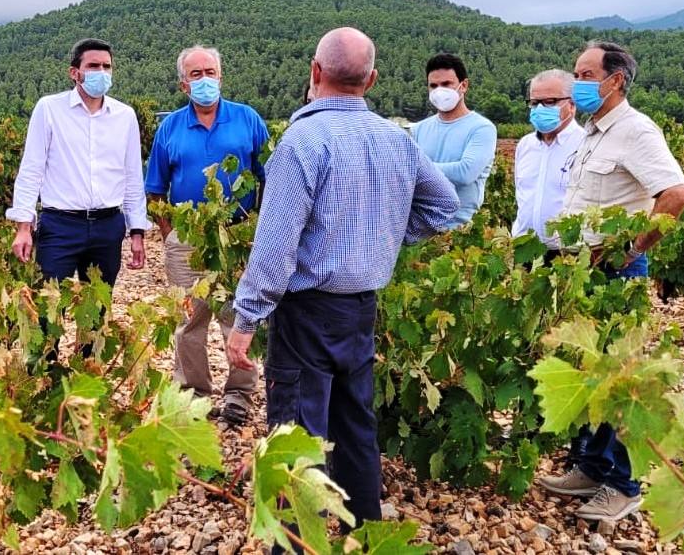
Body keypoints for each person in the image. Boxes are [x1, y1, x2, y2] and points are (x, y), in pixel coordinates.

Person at [226, 28, 459, 537]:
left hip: (306, 312)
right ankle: (365, 538)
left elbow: (275, 248)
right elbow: (446, 207)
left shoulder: (302, 142)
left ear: (314, 72)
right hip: (360, 309)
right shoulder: (398, 139)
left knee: (296, 437)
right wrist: (389, 238)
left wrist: (245, 320)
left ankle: (294, 544)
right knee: (356, 427)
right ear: (372, 80)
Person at [536, 41, 684, 521]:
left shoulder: (636, 131)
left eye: (585, 74)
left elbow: (677, 194)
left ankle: (624, 486)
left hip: (615, 271)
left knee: (620, 377)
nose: (576, 83)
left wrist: (631, 250)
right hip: (582, 267)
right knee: (588, 371)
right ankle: (590, 466)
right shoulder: (593, 132)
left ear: (615, 80)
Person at [146, 45, 269, 426]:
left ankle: (239, 394)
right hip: (186, 239)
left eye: (210, 72)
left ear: (221, 76)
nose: (204, 80)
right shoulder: (170, 128)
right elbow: (155, 190)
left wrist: (257, 229)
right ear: (183, 84)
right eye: (196, 75)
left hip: (236, 237)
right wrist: (170, 235)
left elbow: (271, 178)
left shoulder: (247, 119)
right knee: (188, 322)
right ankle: (194, 393)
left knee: (240, 317)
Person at [8, 38, 151, 357]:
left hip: (107, 226)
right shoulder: (49, 109)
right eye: (93, 66)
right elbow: (31, 168)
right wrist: (23, 225)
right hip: (60, 225)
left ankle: (87, 378)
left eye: (107, 67)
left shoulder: (124, 116)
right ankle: (44, 378)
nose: (102, 72)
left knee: (97, 311)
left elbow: (131, 176)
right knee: (48, 307)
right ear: (75, 73)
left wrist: (137, 231)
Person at [410, 53, 497, 228]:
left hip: (460, 231)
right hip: (422, 228)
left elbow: (464, 173)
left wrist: (416, 167)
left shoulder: (482, 128)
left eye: (446, 84)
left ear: (463, 85)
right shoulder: (418, 129)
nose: (439, 90)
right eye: (433, 85)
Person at [511, 69, 585, 246]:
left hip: (567, 254)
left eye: (550, 102)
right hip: (524, 250)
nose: (540, 109)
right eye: (535, 103)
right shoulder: (525, 145)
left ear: (572, 104)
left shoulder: (586, 145)